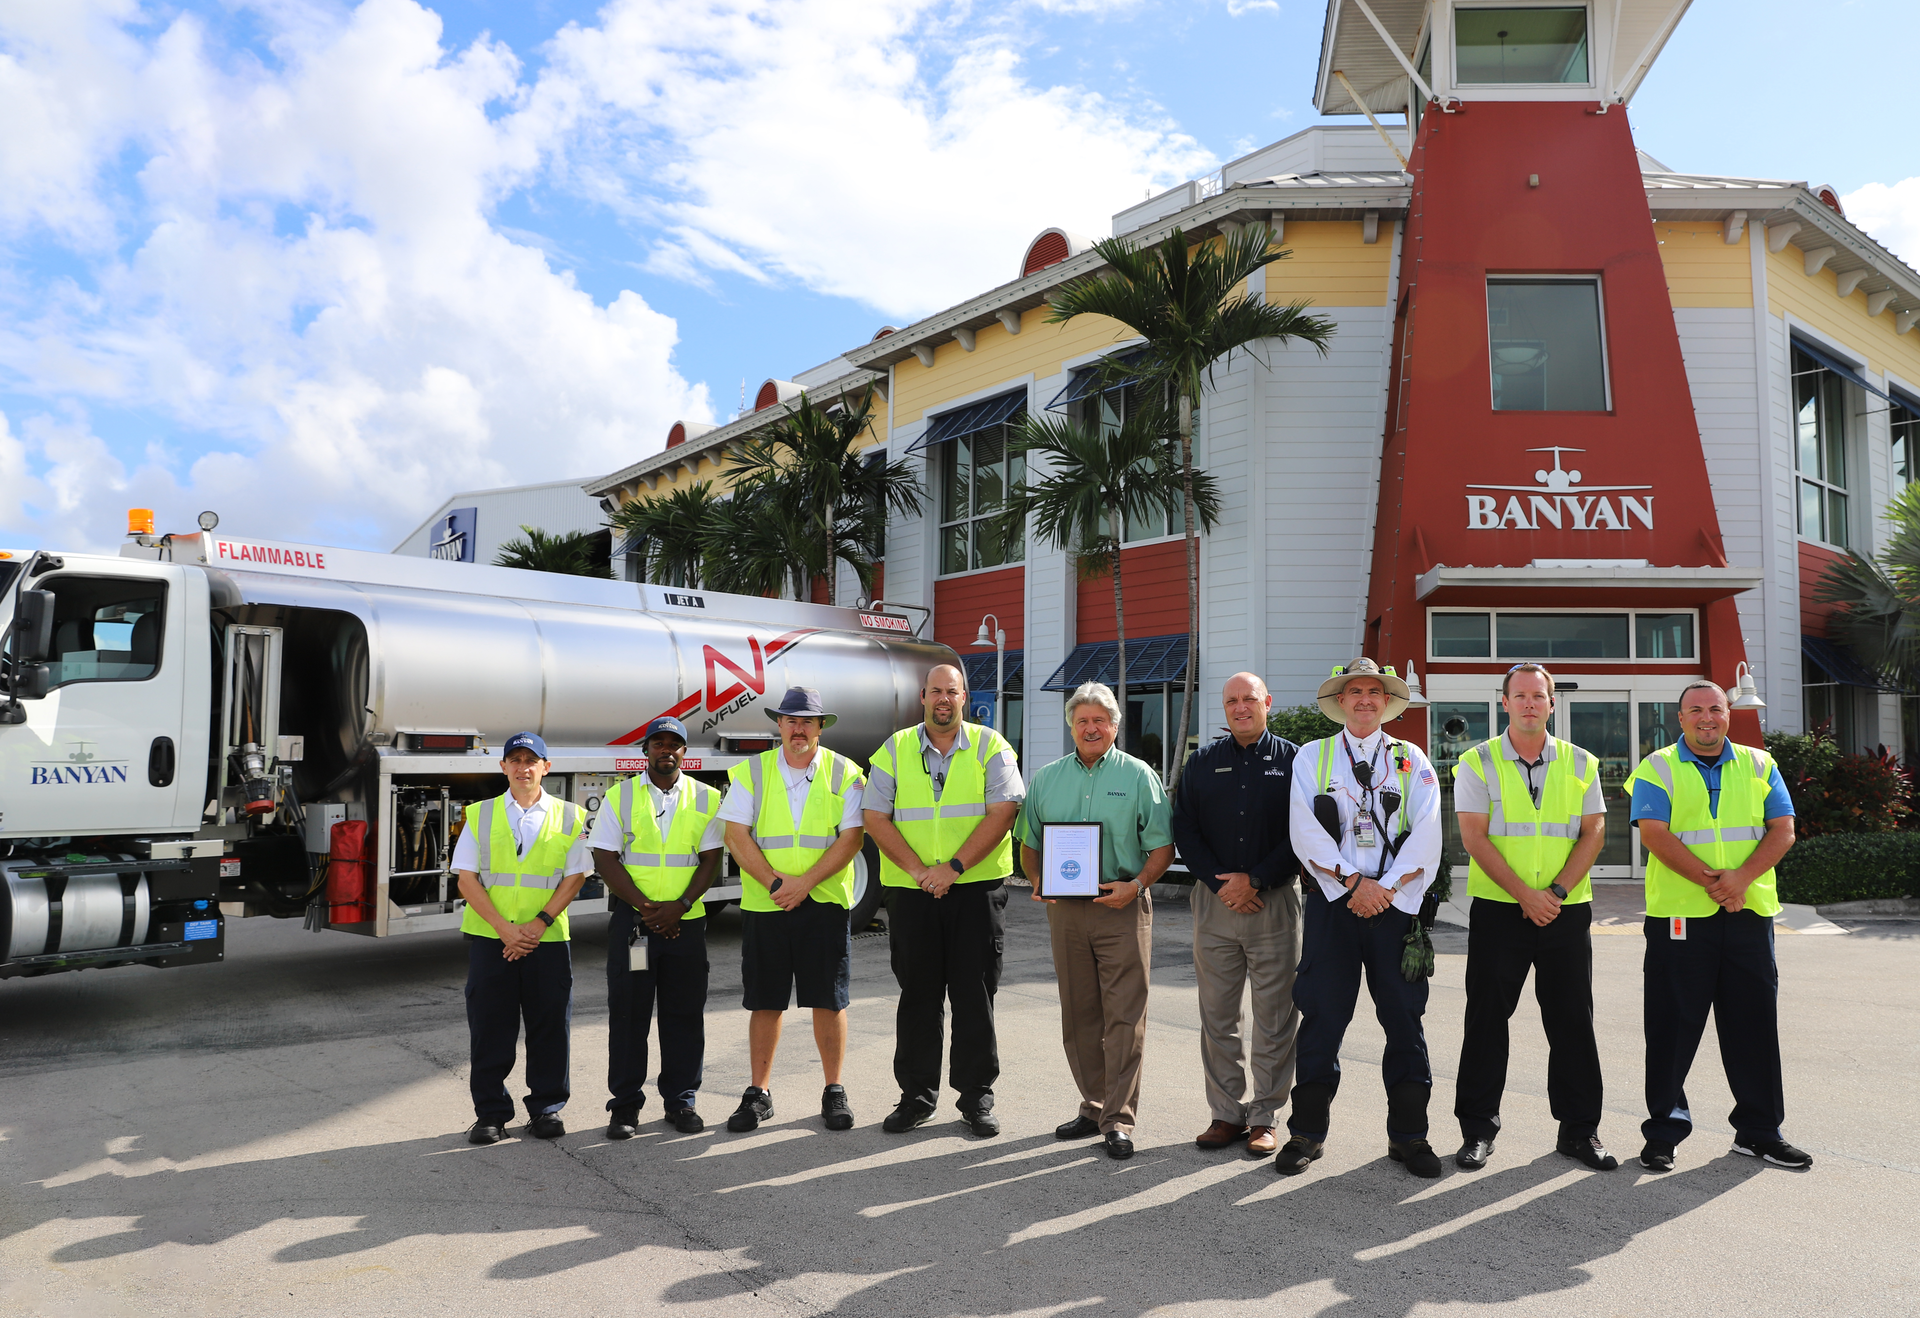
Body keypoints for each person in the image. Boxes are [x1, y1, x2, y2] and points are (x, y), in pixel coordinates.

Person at [1626, 679, 1808, 1172]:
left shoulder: (1760, 764)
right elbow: (1654, 834)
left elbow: (1783, 830)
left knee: (1754, 1027)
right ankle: (1664, 1132)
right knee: (1671, 1027)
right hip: (1680, 918)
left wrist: (1741, 879)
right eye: (1696, 710)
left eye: (1716, 709)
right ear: (1679, 718)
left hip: (1749, 916)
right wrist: (1716, 884)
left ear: (1728, 714)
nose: (1707, 718)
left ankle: (1759, 1132)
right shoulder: (1656, 767)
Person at [1279, 658, 1444, 1178]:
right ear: (1341, 702)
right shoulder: (1313, 756)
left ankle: (1410, 1137)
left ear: (1387, 702)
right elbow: (1303, 830)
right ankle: (1306, 1134)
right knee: (1323, 1019)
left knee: (1404, 1020)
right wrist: (1354, 883)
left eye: (1375, 691)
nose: (1366, 699)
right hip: (1335, 904)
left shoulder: (1410, 758)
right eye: (1356, 691)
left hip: (1393, 907)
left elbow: (1429, 829)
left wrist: (1386, 889)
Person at [1451, 663, 1615, 1172]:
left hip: (1565, 911)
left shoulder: (1581, 762)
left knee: (1572, 1021)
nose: (1528, 704)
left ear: (1550, 703)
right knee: (1485, 1021)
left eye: (1537, 696)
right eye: (1519, 696)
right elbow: (1474, 837)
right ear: (1504, 703)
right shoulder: (1476, 762)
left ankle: (1579, 1131)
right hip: (1501, 910)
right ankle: (1478, 1130)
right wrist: (1526, 894)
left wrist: (1557, 892)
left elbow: (1594, 831)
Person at [864, 664, 1024, 1137]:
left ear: (963, 697)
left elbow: (1004, 811)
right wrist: (920, 872)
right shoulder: (894, 749)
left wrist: (951, 868)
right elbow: (875, 816)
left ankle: (975, 1098)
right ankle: (916, 1097)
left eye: (952, 692)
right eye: (936, 691)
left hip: (974, 889)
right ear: (923, 697)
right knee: (918, 995)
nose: (943, 699)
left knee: (975, 994)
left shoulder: (991, 745)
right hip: (912, 892)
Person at [1016, 681, 1175, 1160]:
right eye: (1082, 720)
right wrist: (1037, 879)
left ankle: (1119, 1119)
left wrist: (1138, 884)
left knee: (1125, 1015)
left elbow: (1162, 847)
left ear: (1114, 727)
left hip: (1122, 907)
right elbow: (1029, 843)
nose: (1090, 728)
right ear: (1071, 726)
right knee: (1080, 1012)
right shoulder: (1046, 779)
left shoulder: (1140, 775)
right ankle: (1093, 1104)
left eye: (1099, 721)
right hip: (1066, 912)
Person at [719, 687, 867, 1133]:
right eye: (790, 720)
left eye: (807, 721)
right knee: (765, 1000)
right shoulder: (752, 772)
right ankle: (759, 1092)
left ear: (821, 727)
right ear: (779, 725)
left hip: (822, 902)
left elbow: (852, 838)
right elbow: (736, 834)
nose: (798, 728)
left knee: (829, 998)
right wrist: (775, 883)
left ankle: (834, 1090)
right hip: (768, 903)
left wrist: (803, 884)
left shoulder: (845, 772)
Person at [1171, 672, 1302, 1158]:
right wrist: (1221, 883)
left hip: (1275, 904)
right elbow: (1184, 826)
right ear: (1222, 708)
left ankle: (1265, 1117)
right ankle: (1226, 1113)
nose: (1241, 707)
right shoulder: (1203, 762)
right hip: (1215, 902)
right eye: (1232, 700)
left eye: (1250, 699)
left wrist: (1258, 879)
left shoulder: (1294, 761)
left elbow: (1303, 832)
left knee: (1275, 1017)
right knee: (1218, 1015)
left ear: (1267, 702)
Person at [452, 732, 592, 1144]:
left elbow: (576, 876)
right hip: (492, 939)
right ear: (503, 768)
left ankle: (546, 1109)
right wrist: (503, 928)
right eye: (514, 759)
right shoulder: (479, 814)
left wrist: (538, 924)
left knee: (550, 1026)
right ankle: (491, 1114)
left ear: (546, 767)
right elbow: (466, 878)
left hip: (545, 939)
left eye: (532, 760)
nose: (523, 767)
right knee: (490, 1027)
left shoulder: (572, 816)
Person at [590, 715, 725, 1139]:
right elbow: (605, 858)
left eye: (675, 744)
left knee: (683, 1015)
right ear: (645, 751)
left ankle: (681, 1101)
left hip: (686, 924)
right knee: (628, 1016)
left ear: (686, 753)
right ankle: (625, 1106)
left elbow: (711, 861)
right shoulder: (620, 796)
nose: (666, 750)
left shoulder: (706, 798)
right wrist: (649, 909)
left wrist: (681, 906)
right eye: (658, 743)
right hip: (635, 924)